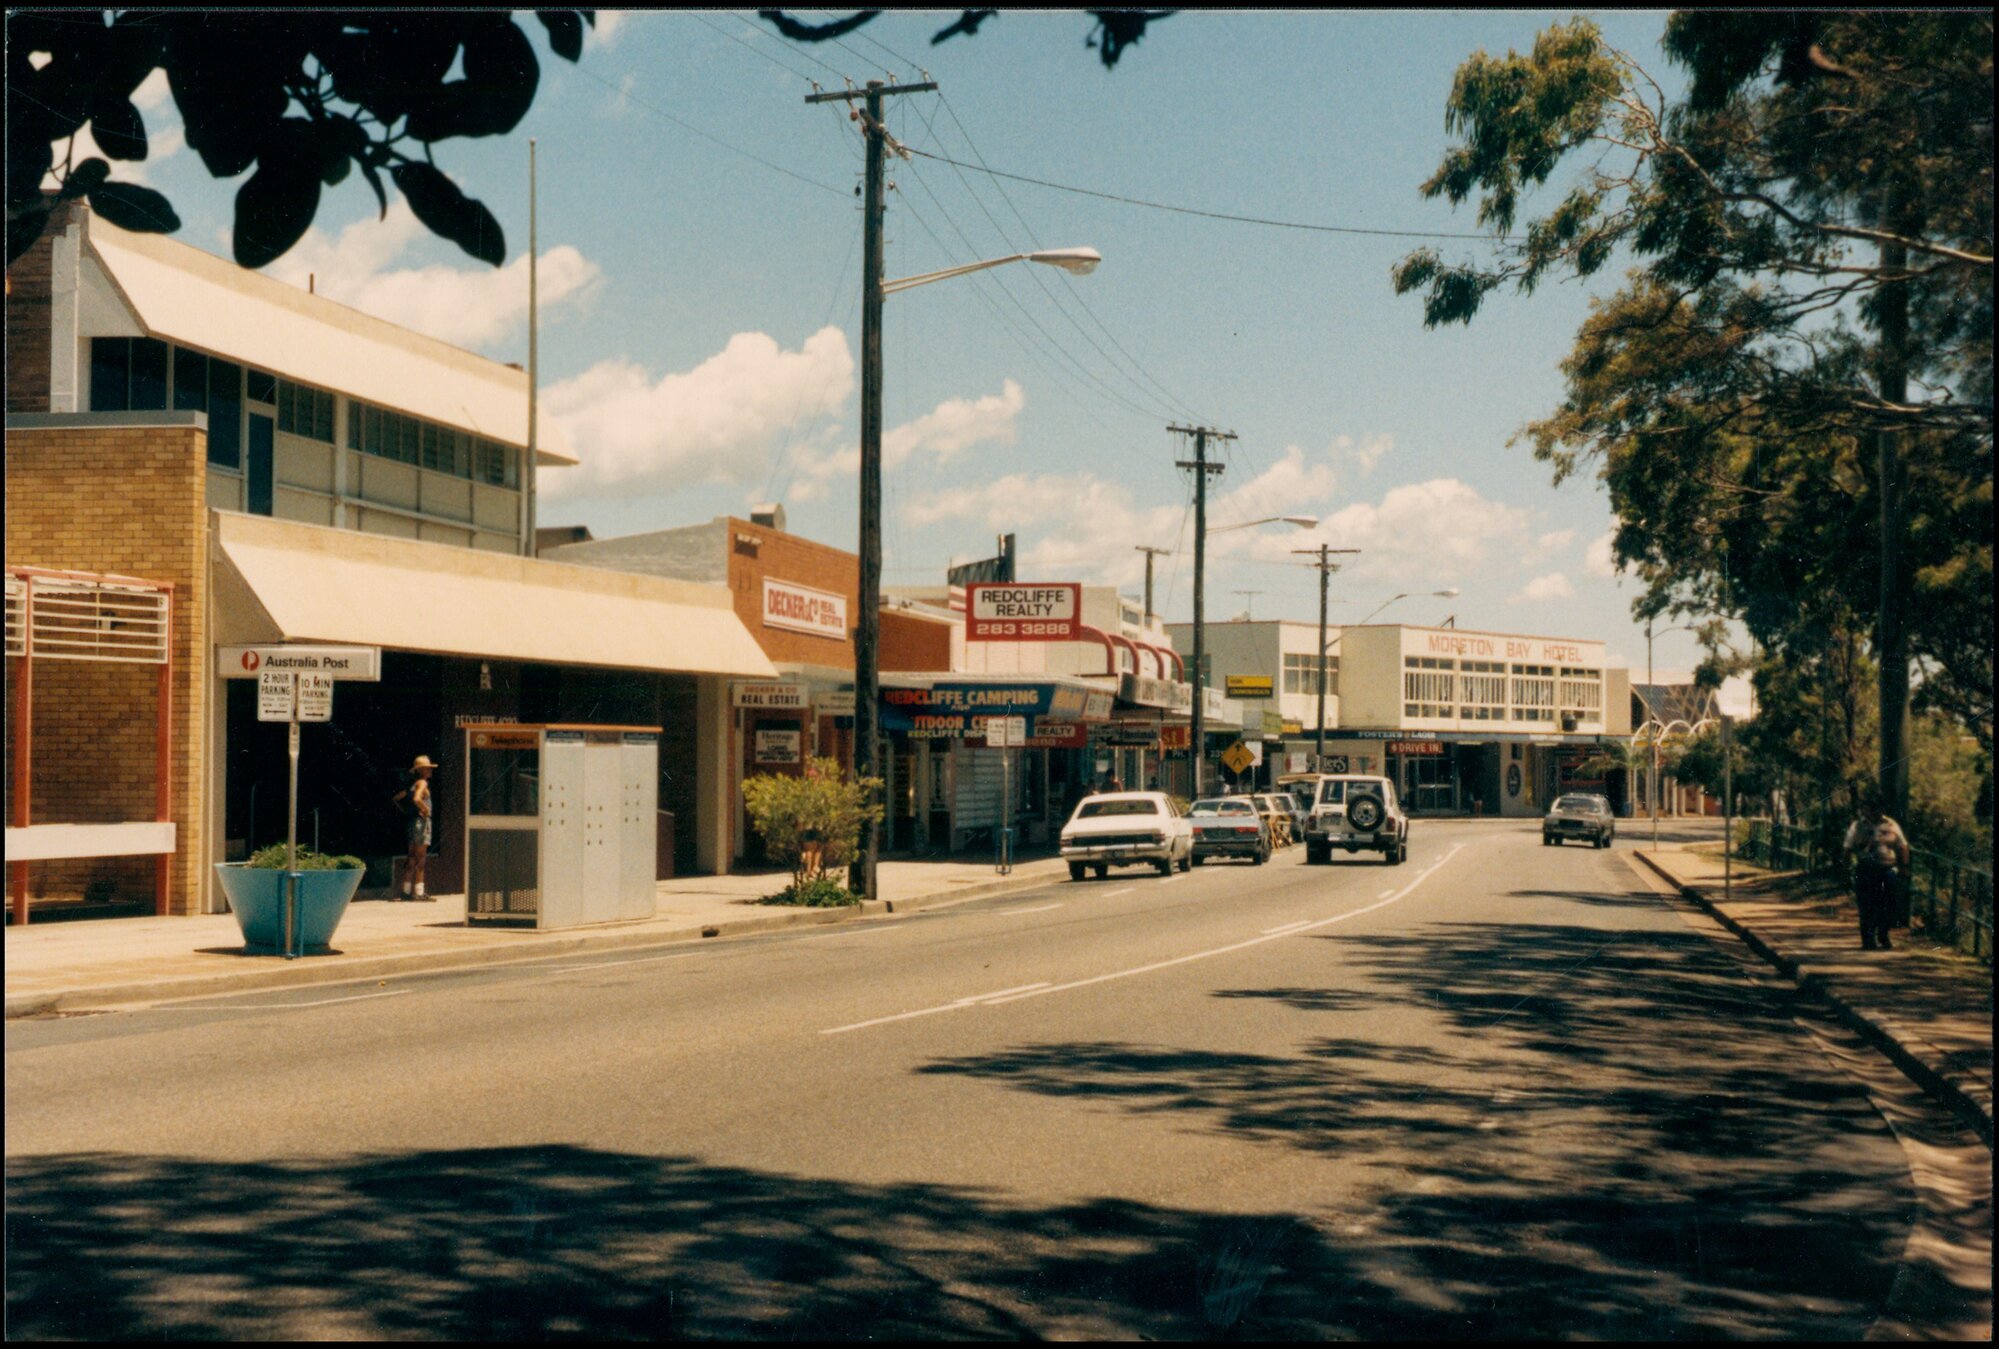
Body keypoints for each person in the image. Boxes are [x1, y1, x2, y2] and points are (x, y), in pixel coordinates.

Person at [1843, 789, 1911, 951]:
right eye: (1869, 807)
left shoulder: (1892, 825)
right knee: (1867, 905)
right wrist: (1845, 870)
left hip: (1887, 869)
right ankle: (1868, 939)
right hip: (1866, 870)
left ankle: (1883, 934)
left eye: (1876, 807)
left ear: (1882, 808)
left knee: (1888, 903)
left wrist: (1904, 868)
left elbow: (1903, 846)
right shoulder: (1857, 826)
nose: (1873, 810)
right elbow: (1847, 848)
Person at [397, 754, 437, 901]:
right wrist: (425, 810)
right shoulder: (422, 783)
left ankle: (406, 891)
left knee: (411, 857)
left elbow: (397, 798)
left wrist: (406, 811)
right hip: (422, 822)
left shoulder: (412, 785)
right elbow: (417, 798)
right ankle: (419, 892)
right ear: (422, 770)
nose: (430, 770)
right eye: (428, 768)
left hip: (413, 822)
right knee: (421, 858)